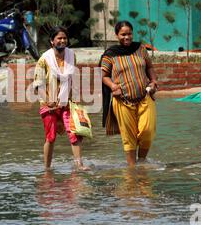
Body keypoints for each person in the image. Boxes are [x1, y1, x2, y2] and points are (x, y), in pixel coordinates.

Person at [100, 21, 158, 167]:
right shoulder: (110, 55)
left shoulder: (141, 49)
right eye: (123, 34)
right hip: (122, 101)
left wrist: (153, 80)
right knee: (129, 136)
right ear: (117, 35)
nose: (127, 37)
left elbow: (149, 66)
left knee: (147, 130)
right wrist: (113, 86)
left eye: (129, 34)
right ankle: (132, 169)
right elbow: (103, 75)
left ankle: (142, 161)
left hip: (145, 97)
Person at [33, 26, 90, 171]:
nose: (62, 41)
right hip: (49, 104)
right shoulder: (44, 59)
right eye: (59, 38)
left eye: (64, 38)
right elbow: (38, 84)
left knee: (74, 133)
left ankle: (79, 165)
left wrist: (76, 99)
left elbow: (73, 79)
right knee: (50, 138)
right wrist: (48, 100)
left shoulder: (72, 55)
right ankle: (47, 169)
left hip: (68, 102)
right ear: (52, 41)